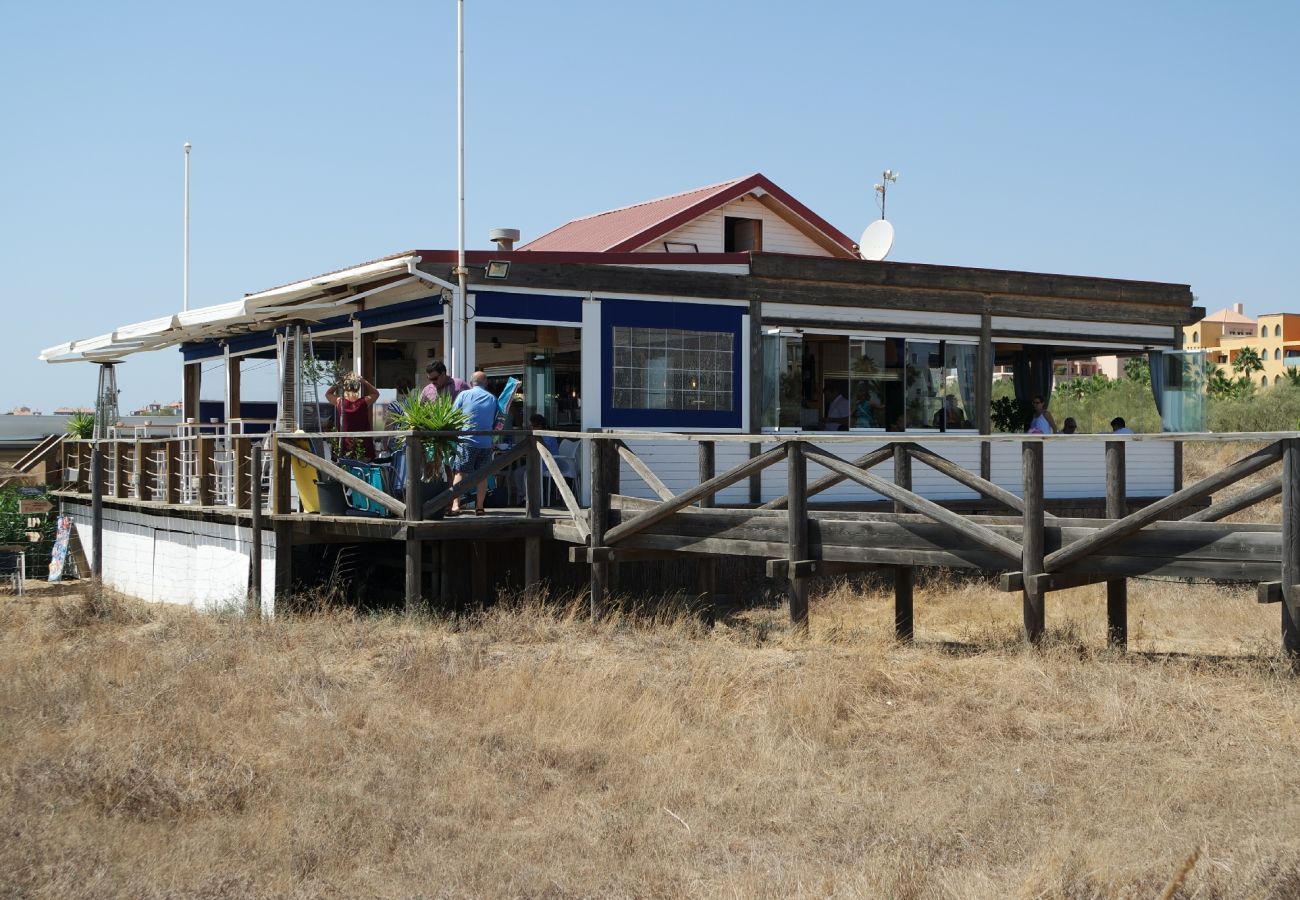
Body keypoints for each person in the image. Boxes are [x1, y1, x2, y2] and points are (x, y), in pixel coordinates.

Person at [450, 371, 498, 515]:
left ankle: (455, 505)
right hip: (485, 443)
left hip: (467, 441)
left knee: (460, 472)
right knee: (482, 476)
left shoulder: (464, 395)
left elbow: (453, 415)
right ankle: (480, 507)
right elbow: (496, 420)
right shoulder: (492, 398)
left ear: (471, 383)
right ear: (486, 383)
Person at [325, 372, 380, 459]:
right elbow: (376, 393)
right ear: (358, 387)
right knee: (362, 470)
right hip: (362, 445)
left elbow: (328, 394)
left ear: (345, 386)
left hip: (344, 445)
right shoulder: (363, 402)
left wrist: (340, 381)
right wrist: (363, 381)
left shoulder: (340, 402)